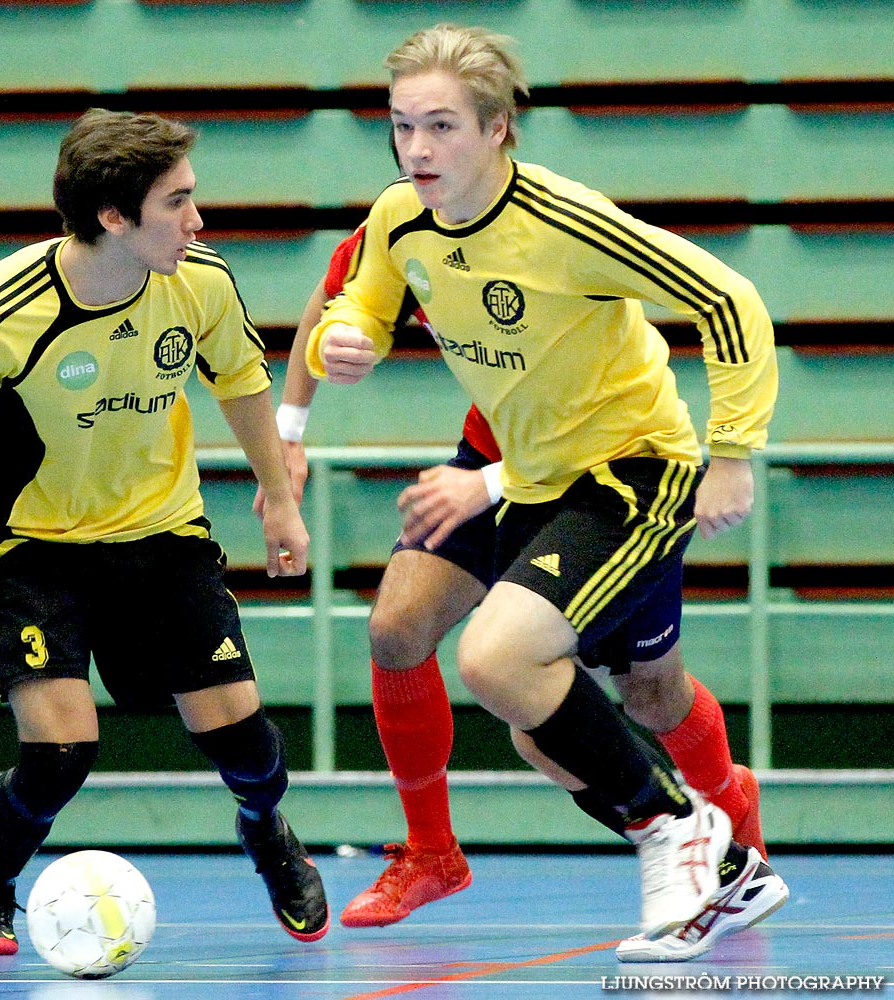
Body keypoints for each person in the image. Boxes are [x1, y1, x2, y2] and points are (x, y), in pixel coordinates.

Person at [306, 24, 783, 944]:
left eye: (441, 127)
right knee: (534, 722)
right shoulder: (401, 215)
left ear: (496, 129)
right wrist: (347, 335)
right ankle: (718, 864)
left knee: (502, 663)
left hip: (632, 472)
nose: (416, 149)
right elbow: (362, 294)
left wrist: (733, 451)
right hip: (527, 478)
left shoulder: (566, 223)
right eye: (402, 127)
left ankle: (682, 831)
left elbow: (731, 299)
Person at [0, 108, 329, 955]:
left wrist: (279, 499)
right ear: (112, 217)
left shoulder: (199, 282)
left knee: (244, 743)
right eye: (178, 203)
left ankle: (264, 827)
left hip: (162, 539)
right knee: (60, 755)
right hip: (34, 551)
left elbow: (241, 379)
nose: (198, 221)